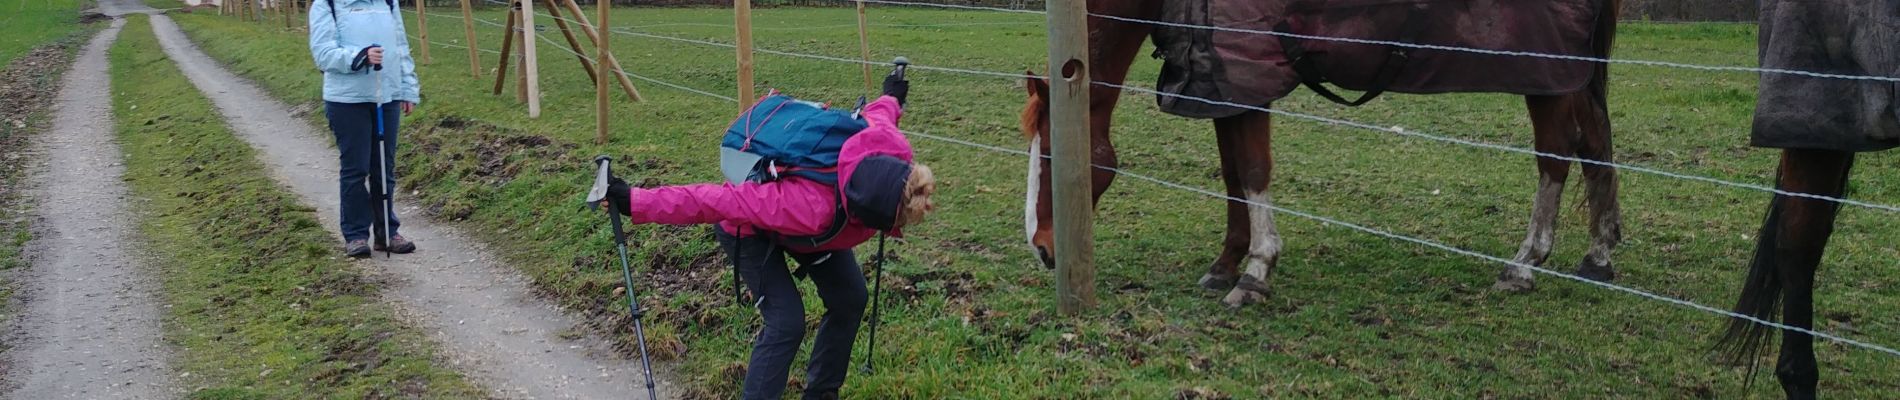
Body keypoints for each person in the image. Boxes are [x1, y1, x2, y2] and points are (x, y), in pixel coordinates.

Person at [602, 74, 934, 400]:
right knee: (786, 322)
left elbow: (881, 113)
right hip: (749, 229)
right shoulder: (810, 207)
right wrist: (635, 201)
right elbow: (714, 201)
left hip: (815, 232)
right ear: (870, 213)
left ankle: (821, 393)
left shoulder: (887, 145)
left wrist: (893, 95)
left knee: (850, 297)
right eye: (899, 221)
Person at [308, 0, 421, 257]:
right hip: (347, 100)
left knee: (383, 166)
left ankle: (387, 233)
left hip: (387, 95)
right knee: (355, 169)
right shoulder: (327, 4)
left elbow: (400, 47)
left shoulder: (388, 3)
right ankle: (356, 235)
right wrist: (360, 56)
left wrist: (407, 88)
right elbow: (322, 53)